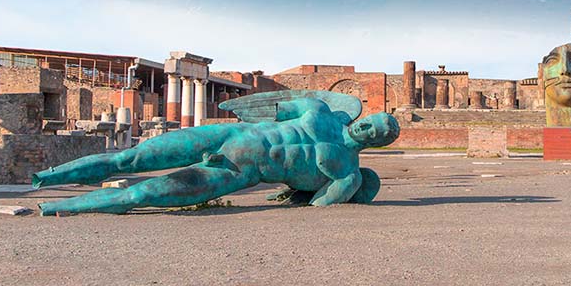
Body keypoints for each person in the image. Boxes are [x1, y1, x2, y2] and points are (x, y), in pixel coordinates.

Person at [33, 97, 400, 215]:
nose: (368, 129)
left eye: (378, 133)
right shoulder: (319, 111)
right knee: (128, 159)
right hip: (231, 134)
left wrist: (305, 192)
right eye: (372, 122)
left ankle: (58, 207)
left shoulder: (346, 173)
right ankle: (47, 177)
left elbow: (319, 204)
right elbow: (271, 108)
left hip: (238, 171)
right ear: (365, 117)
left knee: (142, 194)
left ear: (379, 144)